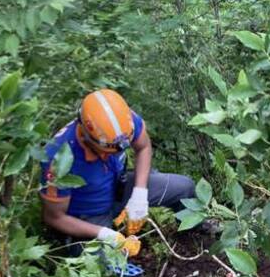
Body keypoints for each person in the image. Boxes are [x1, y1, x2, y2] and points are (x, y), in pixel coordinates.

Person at [40, 89, 198, 257]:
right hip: (88, 217)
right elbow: (54, 217)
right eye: (107, 150)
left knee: (184, 188)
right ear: (87, 136)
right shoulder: (58, 158)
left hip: (120, 189)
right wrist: (104, 234)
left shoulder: (123, 122)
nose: (113, 154)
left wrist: (139, 193)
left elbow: (143, 147)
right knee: (100, 263)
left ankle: (194, 237)